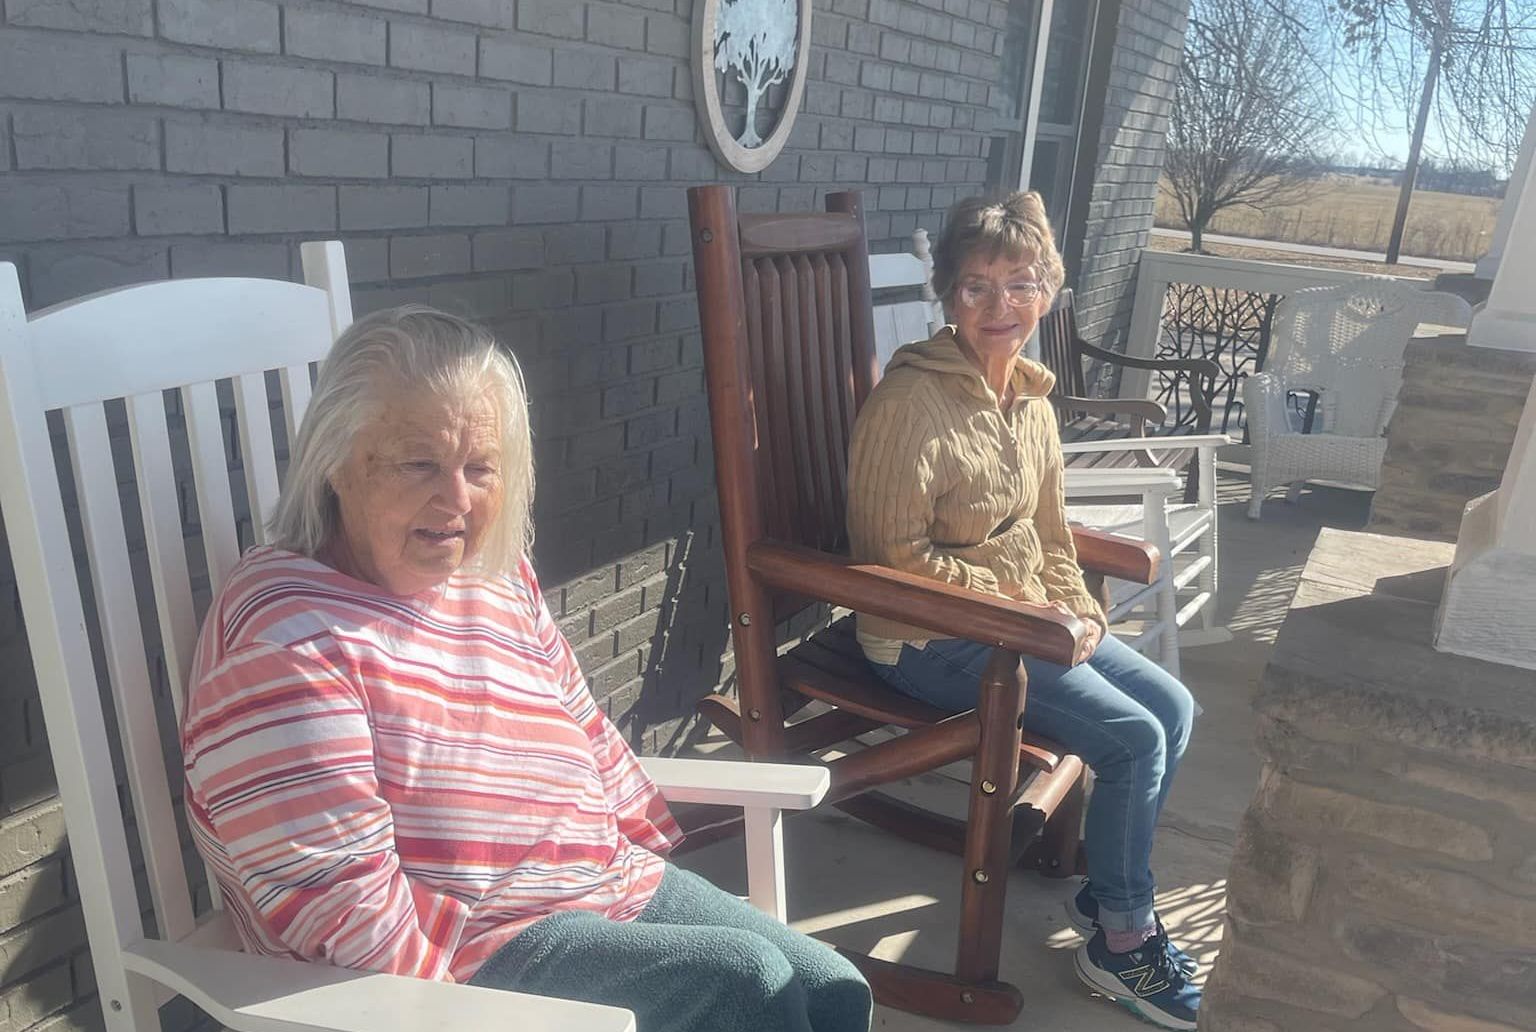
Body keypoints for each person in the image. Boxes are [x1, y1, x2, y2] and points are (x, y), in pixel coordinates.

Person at [182, 306, 871, 1032]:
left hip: (594, 882)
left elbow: (579, 722)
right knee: (746, 990)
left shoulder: (492, 575)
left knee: (833, 989)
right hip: (472, 948)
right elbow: (339, 907)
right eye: (420, 463)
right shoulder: (287, 646)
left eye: (481, 468)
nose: (457, 501)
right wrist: (447, 1015)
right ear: (334, 460)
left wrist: (623, 849)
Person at [845, 192, 1201, 1030]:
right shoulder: (910, 407)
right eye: (975, 287)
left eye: (1020, 283)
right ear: (948, 296)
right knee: (1133, 740)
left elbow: (1048, 531)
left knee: (1174, 709)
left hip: (1019, 622)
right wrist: (1021, 611)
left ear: (1049, 289)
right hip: (925, 635)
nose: (999, 307)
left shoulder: (1032, 401)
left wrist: (1078, 616)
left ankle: (1106, 892)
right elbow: (893, 557)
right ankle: (1120, 940)